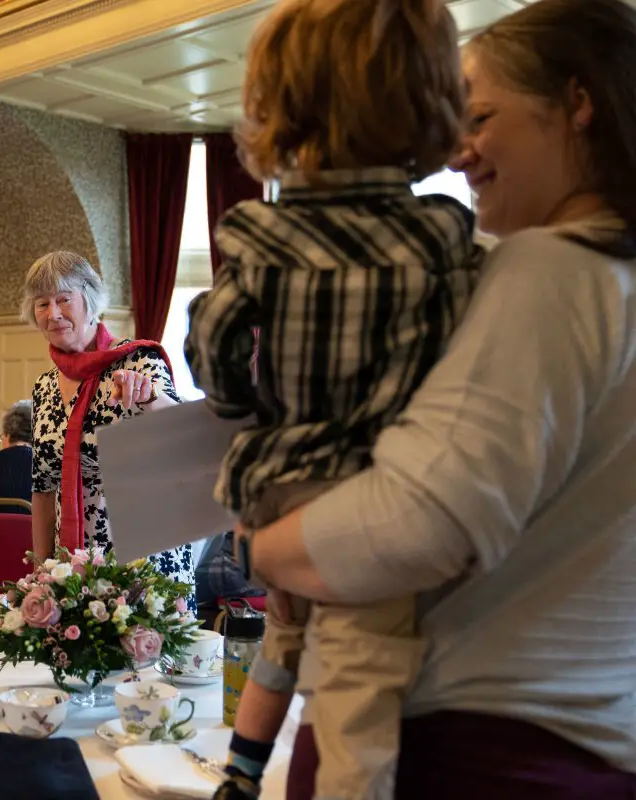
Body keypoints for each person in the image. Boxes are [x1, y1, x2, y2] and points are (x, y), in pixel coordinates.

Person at [227, 0, 636, 797]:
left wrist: (256, 550)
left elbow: (420, 522)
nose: (458, 147)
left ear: (578, 105)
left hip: (468, 747)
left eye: (480, 116)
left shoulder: (552, 267)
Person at [186, 0, 481, 797]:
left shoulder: (258, 234)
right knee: (358, 678)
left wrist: (244, 407)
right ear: (431, 104)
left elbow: (209, 343)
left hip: (274, 477)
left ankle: (242, 771)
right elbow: (461, 362)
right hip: (371, 488)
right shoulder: (441, 236)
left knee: (284, 619)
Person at [24, 251, 195, 600]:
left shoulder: (137, 361)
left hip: (143, 558)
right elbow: (43, 487)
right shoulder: (43, 387)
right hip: (72, 565)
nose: (53, 313)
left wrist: (148, 398)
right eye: (42, 304)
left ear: (90, 299)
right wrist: (42, 573)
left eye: (63, 299)